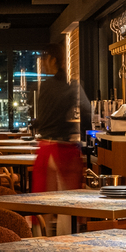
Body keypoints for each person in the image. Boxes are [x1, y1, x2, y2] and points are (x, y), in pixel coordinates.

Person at [30, 42, 88, 192]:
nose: (42, 63)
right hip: (67, 151)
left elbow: (38, 118)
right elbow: (87, 111)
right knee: (69, 202)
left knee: (44, 201)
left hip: (49, 149)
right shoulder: (72, 86)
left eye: (44, 59)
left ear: (53, 60)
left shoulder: (44, 86)